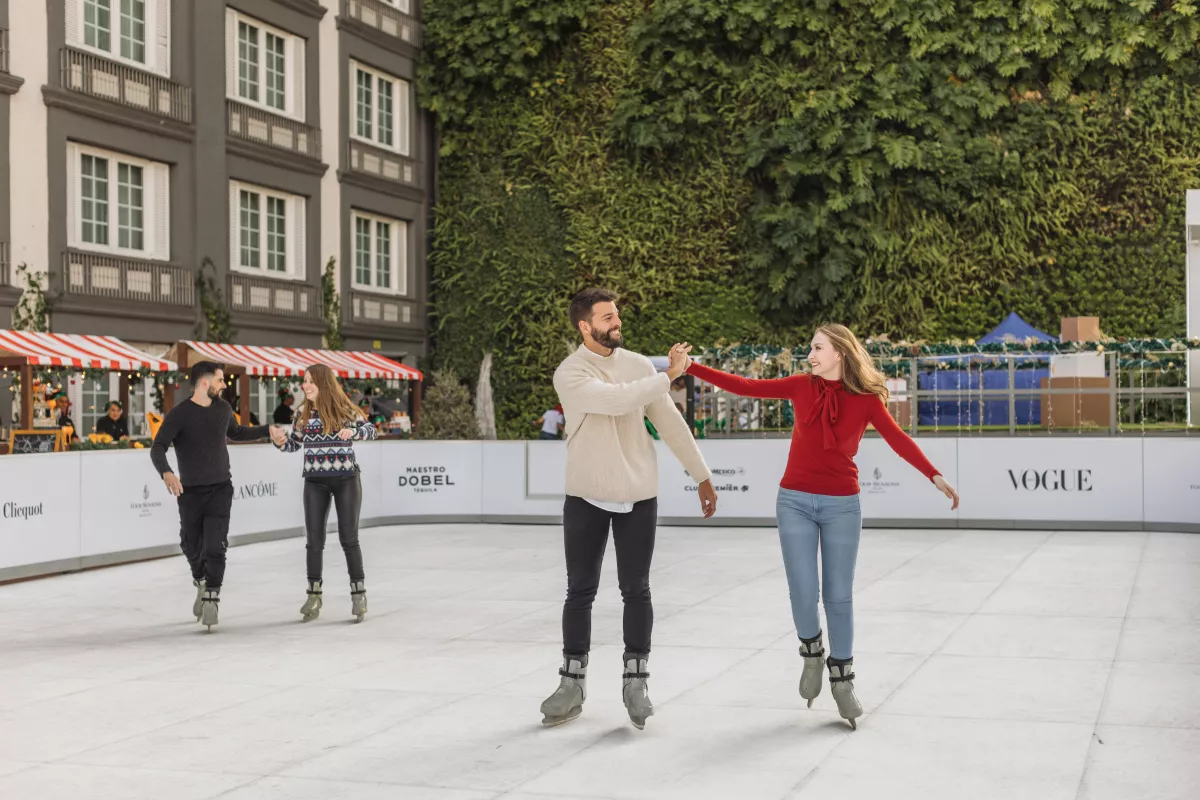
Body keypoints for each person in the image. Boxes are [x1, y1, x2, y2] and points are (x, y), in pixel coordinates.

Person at [684, 324, 959, 729]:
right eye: (811, 347)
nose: (810, 354)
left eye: (817, 348)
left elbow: (898, 439)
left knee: (838, 597)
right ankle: (812, 651)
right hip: (793, 500)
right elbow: (745, 386)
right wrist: (692, 367)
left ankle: (842, 679)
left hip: (842, 506)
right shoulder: (800, 386)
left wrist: (934, 475)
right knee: (802, 592)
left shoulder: (865, 401)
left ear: (839, 355)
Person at [540, 288, 718, 731]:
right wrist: (669, 375)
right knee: (579, 591)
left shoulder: (639, 365)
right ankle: (572, 683)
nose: (616, 322)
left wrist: (701, 474)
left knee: (636, 589)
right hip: (585, 495)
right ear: (586, 326)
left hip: (638, 493)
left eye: (616, 314)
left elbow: (669, 423)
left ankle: (635, 681)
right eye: (607, 317)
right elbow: (614, 399)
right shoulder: (571, 372)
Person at [150, 361, 279, 631]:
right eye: (220, 381)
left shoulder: (223, 409)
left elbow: (237, 432)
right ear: (205, 382)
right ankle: (200, 580)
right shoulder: (179, 414)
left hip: (221, 487)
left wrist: (267, 430)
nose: (224, 385)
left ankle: (212, 597)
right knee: (190, 544)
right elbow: (158, 447)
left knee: (215, 545)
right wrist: (167, 473)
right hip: (190, 492)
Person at [272, 364, 377, 622]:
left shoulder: (345, 410)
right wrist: (281, 442)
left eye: (309, 381)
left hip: (346, 479)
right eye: (303, 381)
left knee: (348, 538)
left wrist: (353, 431)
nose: (304, 386)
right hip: (314, 481)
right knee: (314, 540)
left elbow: (371, 430)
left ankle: (358, 594)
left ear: (322, 382)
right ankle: (314, 595)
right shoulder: (301, 415)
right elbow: (295, 445)